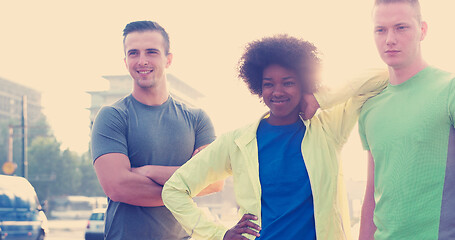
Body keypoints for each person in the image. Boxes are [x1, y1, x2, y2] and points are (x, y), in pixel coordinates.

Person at [162, 34, 389, 240]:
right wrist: (219, 234)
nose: (277, 91)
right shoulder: (237, 142)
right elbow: (174, 190)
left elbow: (382, 76)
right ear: (259, 89)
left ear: (304, 85)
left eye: (288, 83)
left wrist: (322, 99)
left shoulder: (327, 129)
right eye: (268, 84)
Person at [90, 20, 223, 240]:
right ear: (125, 62)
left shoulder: (197, 119)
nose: (142, 61)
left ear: (168, 59)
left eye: (151, 52)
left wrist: (147, 171)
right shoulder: (111, 116)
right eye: (133, 53)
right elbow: (118, 187)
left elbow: (214, 181)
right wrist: (187, 184)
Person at [358, 1, 455, 239]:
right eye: (380, 29)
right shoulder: (370, 107)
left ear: (422, 30)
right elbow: (372, 193)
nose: (390, 39)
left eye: (401, 27)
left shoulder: (449, 89)